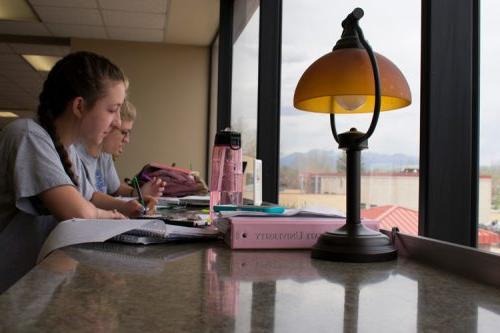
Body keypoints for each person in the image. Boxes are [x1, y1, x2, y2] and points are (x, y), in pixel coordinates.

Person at [0, 51, 153, 292]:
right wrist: (114, 217)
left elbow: (89, 195)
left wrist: (125, 206)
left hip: (36, 285)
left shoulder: (68, 149)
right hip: (10, 289)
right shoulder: (28, 135)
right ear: (80, 106)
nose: (116, 122)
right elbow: (78, 209)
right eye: (112, 110)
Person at [76, 100, 166, 197]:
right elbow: (91, 200)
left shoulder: (105, 155)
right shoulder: (75, 155)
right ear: (108, 126)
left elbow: (115, 188)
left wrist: (138, 192)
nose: (127, 140)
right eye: (124, 132)